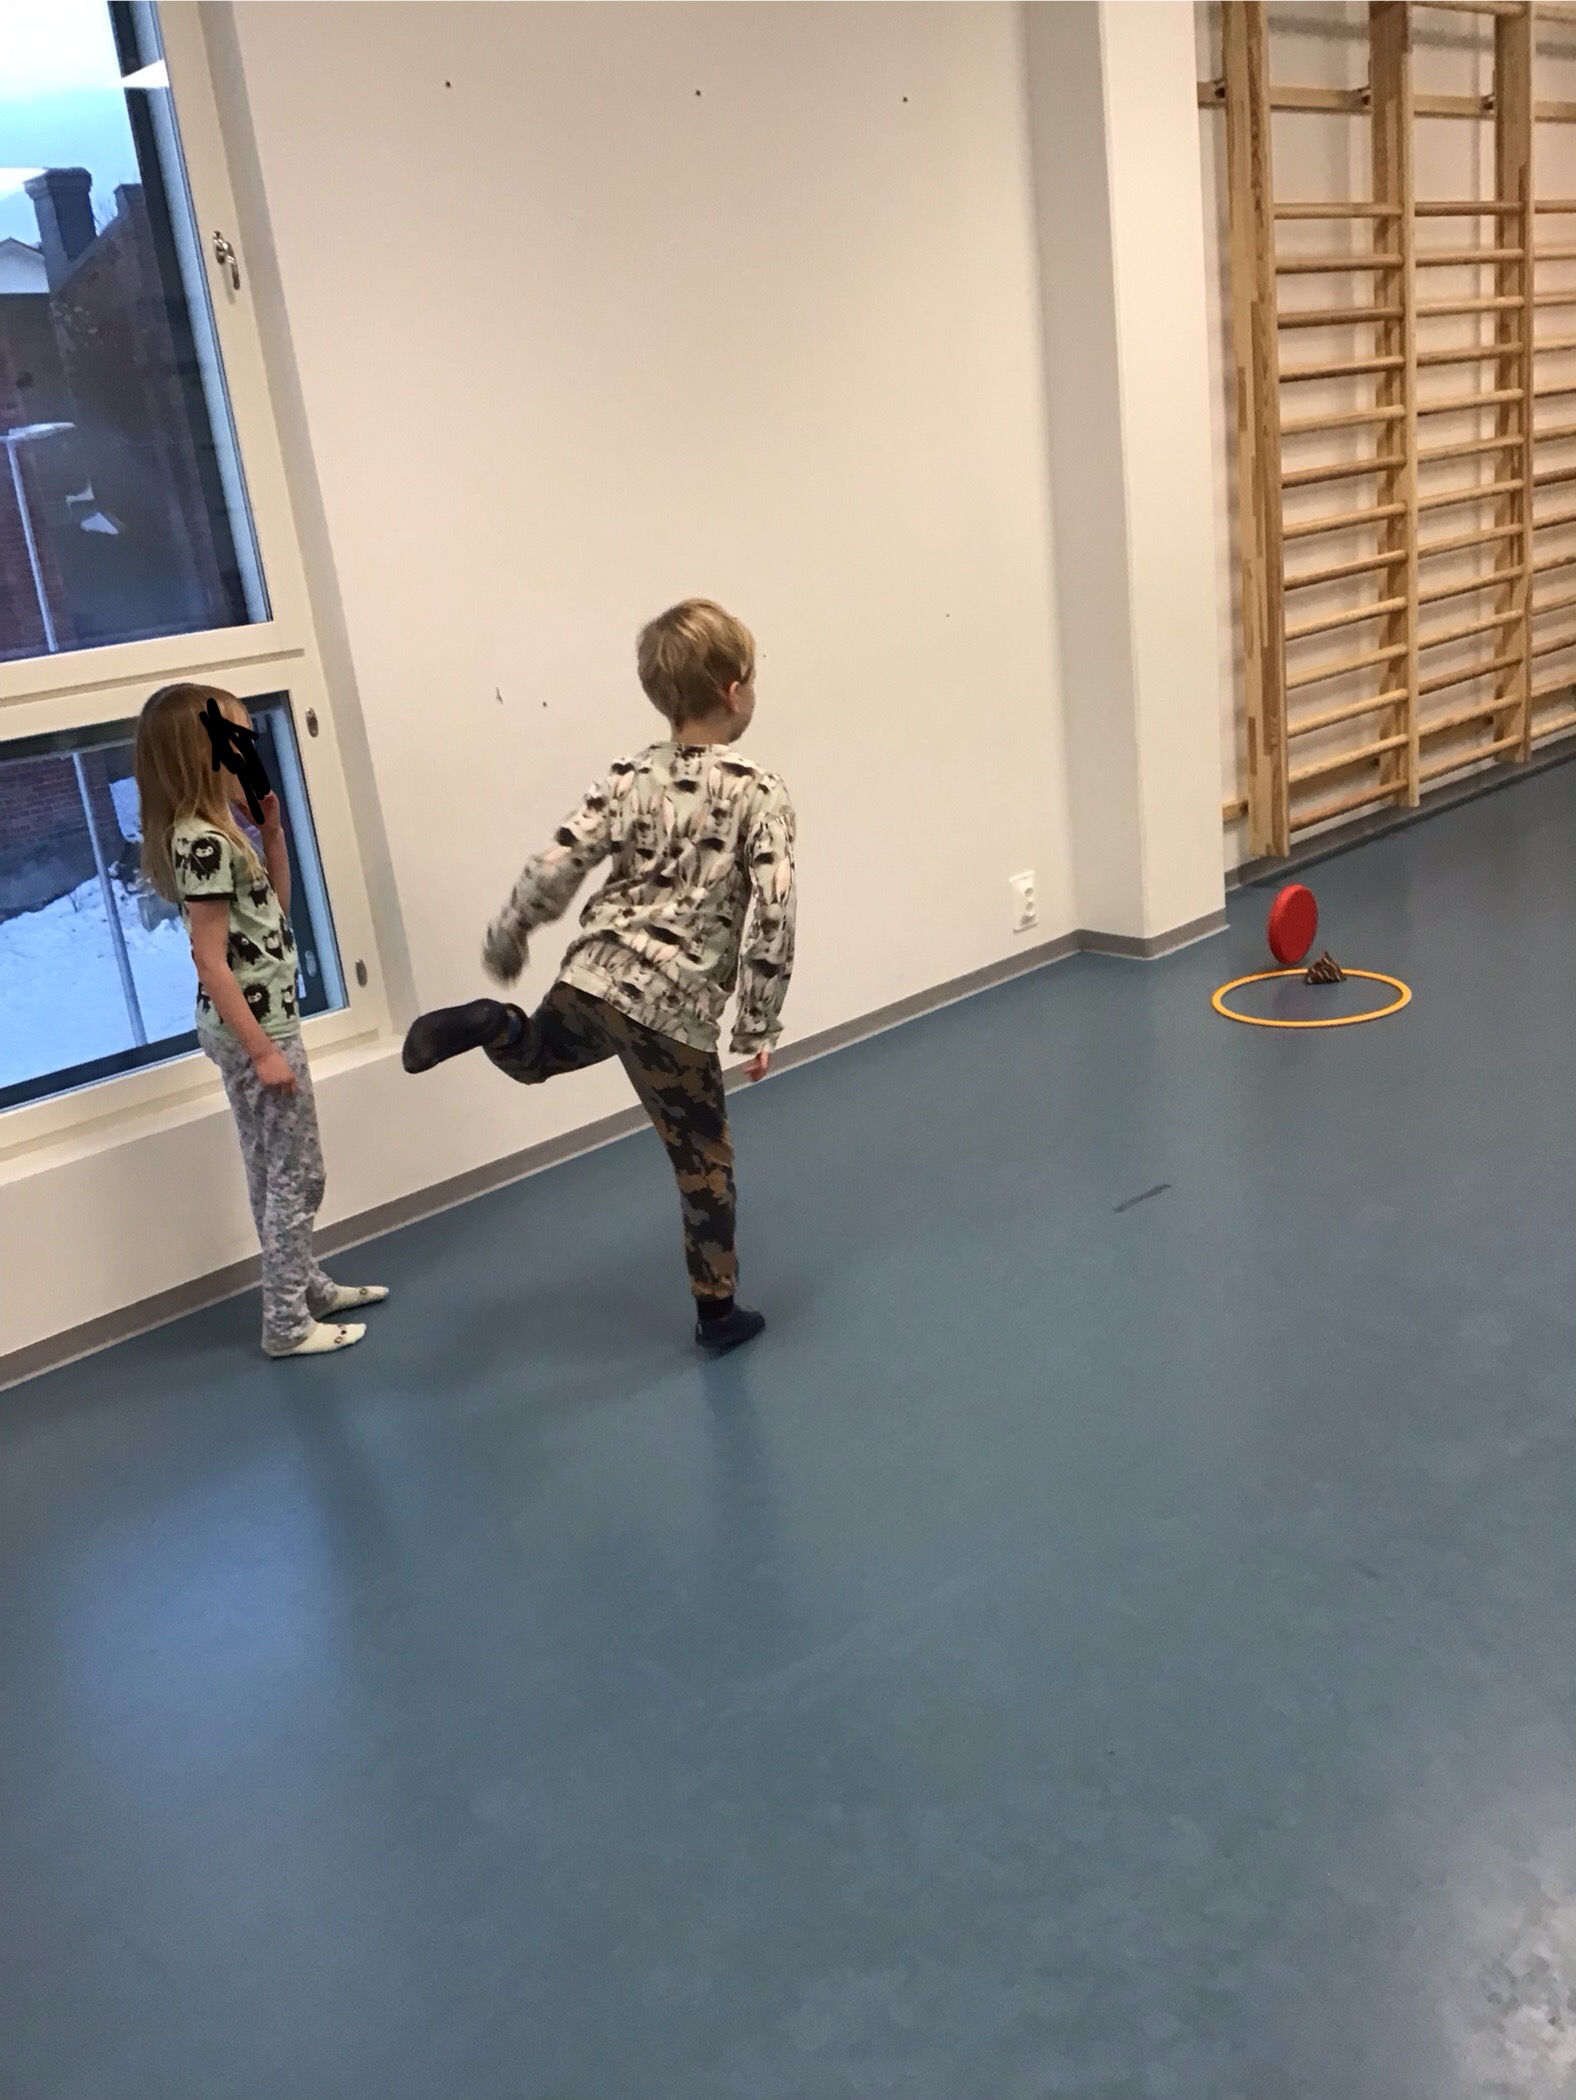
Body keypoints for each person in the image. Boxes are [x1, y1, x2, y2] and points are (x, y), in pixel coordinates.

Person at [402, 599, 796, 1355]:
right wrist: (757, 1023)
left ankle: (492, 1021)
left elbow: (558, 862)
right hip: (672, 1009)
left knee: (537, 1056)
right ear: (734, 689)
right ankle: (719, 1314)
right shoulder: (759, 790)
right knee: (703, 1162)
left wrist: (510, 933)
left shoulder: (627, 775)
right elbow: (774, 909)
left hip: (594, 976)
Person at [134, 682, 388, 1358]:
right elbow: (209, 957)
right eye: (235, 739)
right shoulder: (205, 843)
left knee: (269, 1166)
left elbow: (273, 910)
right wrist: (263, 1051)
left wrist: (271, 833)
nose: (247, 750)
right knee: (300, 1175)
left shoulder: (219, 832)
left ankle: (304, 1287)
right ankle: (286, 1322)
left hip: (253, 1026)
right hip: (258, 1031)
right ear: (202, 753)